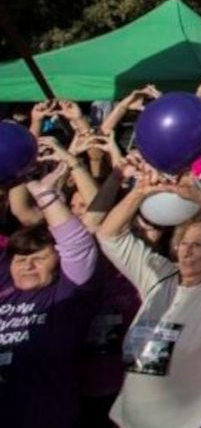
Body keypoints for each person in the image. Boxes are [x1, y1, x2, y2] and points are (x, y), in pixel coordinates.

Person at [97, 171, 201, 428]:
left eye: (200, 244)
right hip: (133, 418)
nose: (189, 250)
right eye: (184, 242)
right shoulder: (159, 276)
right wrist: (140, 192)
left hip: (196, 418)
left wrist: (200, 197)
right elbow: (109, 234)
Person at [0, 164, 100, 427]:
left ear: (57, 263)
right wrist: (18, 173)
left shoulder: (67, 295)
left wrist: (44, 196)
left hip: (44, 417)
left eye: (39, 258)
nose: (27, 265)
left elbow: (77, 244)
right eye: (20, 259)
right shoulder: (5, 287)